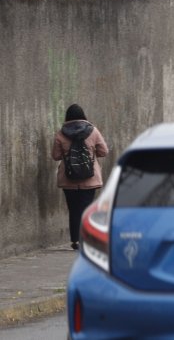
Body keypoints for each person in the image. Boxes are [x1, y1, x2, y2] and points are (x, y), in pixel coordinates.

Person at [52, 104, 109, 250]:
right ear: (83, 115)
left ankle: (75, 240)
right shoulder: (93, 131)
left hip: (68, 178)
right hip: (90, 179)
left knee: (73, 209)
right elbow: (104, 151)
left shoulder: (61, 133)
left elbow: (56, 156)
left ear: (67, 117)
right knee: (86, 209)